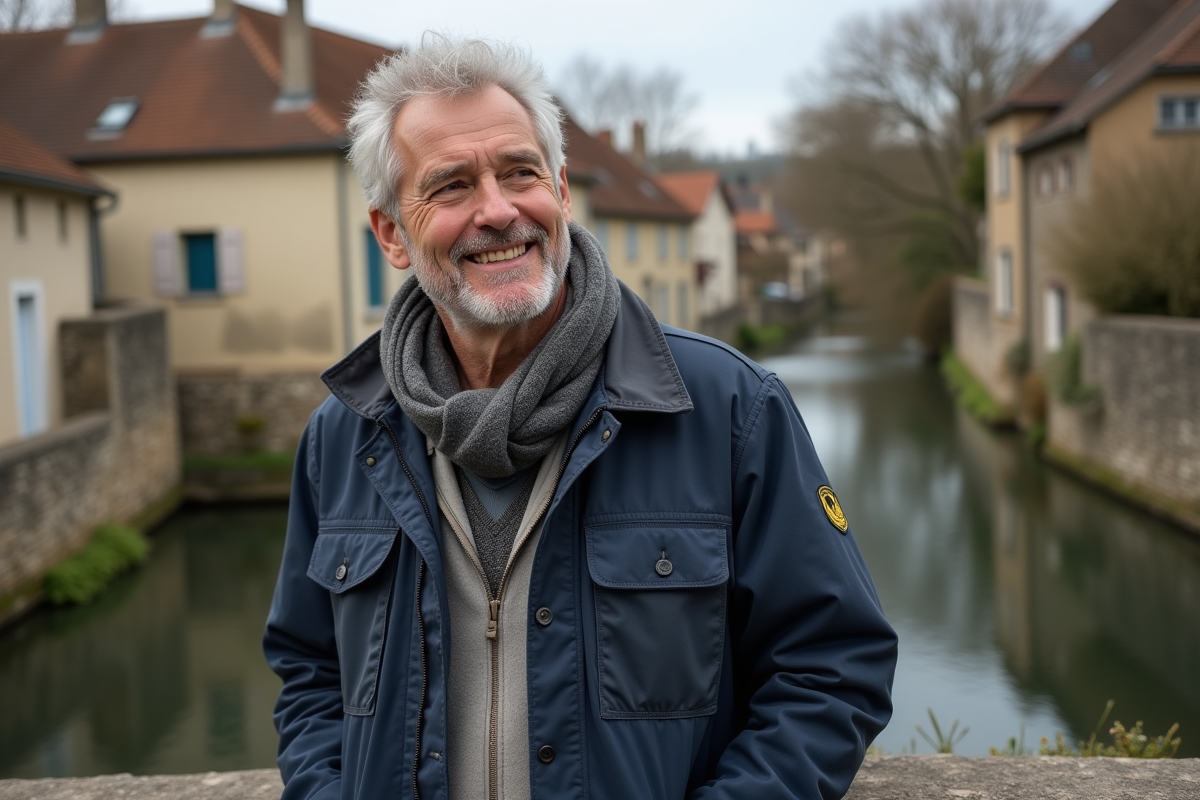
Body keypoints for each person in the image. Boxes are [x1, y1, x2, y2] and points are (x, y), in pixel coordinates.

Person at [263, 33, 897, 800]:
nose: (497, 211)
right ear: (392, 232)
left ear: (561, 191)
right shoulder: (344, 435)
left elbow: (832, 666)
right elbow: (308, 672)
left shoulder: (726, 408)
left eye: (520, 172)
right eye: (452, 186)